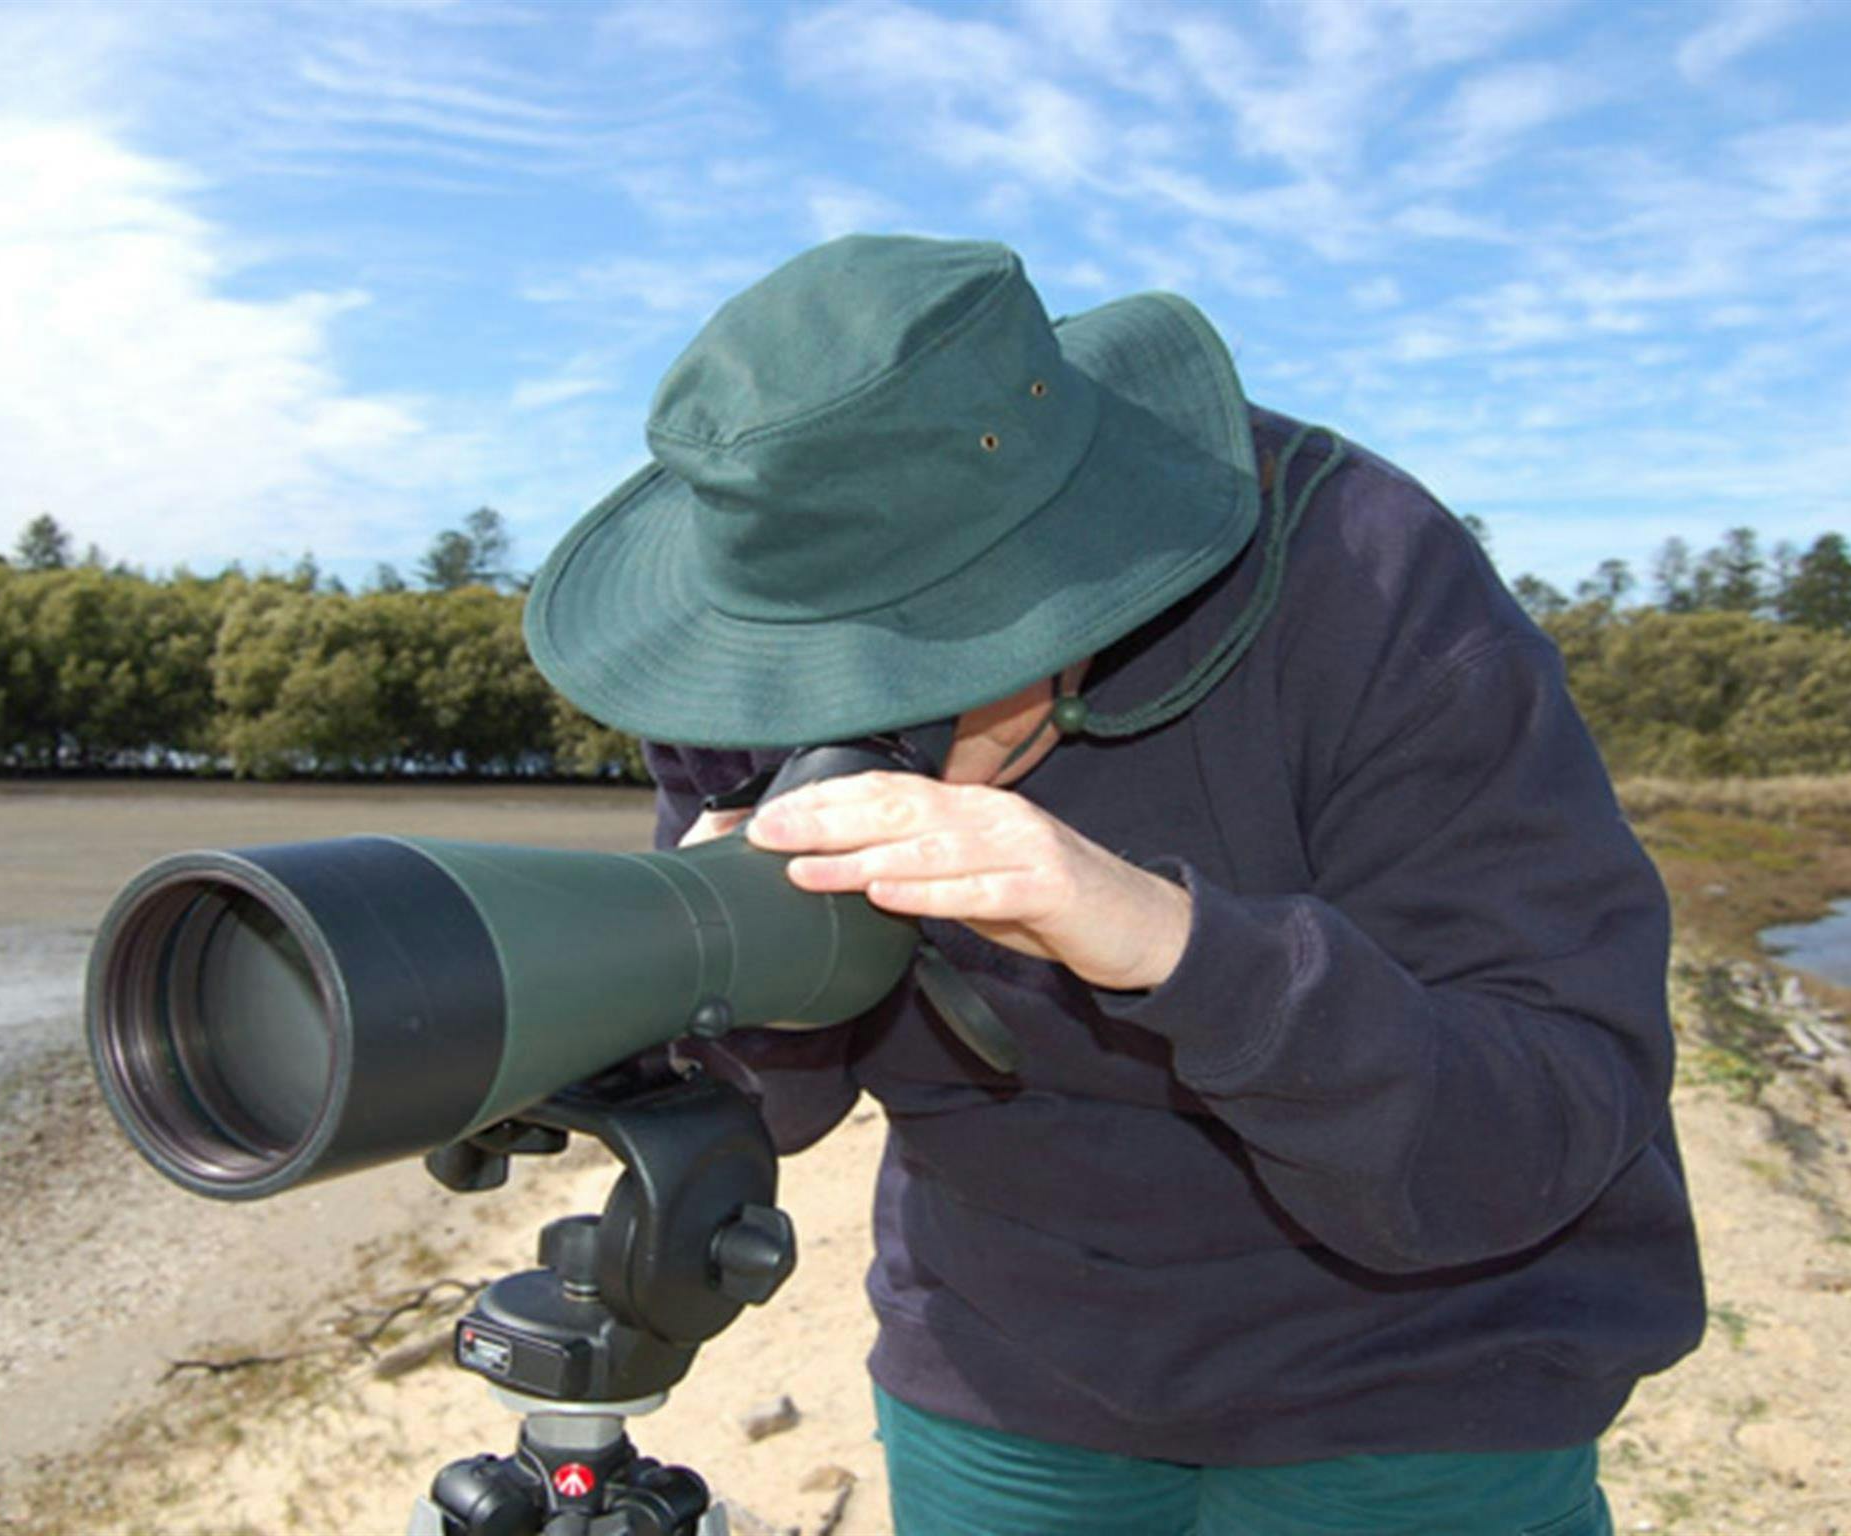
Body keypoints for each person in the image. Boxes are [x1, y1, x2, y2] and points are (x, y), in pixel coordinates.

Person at [522, 235, 1704, 1536]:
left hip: (1424, 1371)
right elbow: (774, 1105)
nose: (841, 707)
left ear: (1074, 558)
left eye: (899, 652)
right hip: (1010, 1369)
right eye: (808, 664)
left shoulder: (1371, 584)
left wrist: (1170, 943)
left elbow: (1544, 1117)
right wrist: (737, 964)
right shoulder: (750, 648)